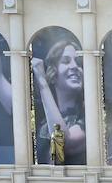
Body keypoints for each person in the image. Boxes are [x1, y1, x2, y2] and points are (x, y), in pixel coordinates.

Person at [32, 37, 85, 165]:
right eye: (66, 61)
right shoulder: (38, 112)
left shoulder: (90, 112)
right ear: (53, 72)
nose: (75, 67)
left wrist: (41, 80)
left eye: (79, 63)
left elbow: (63, 144)